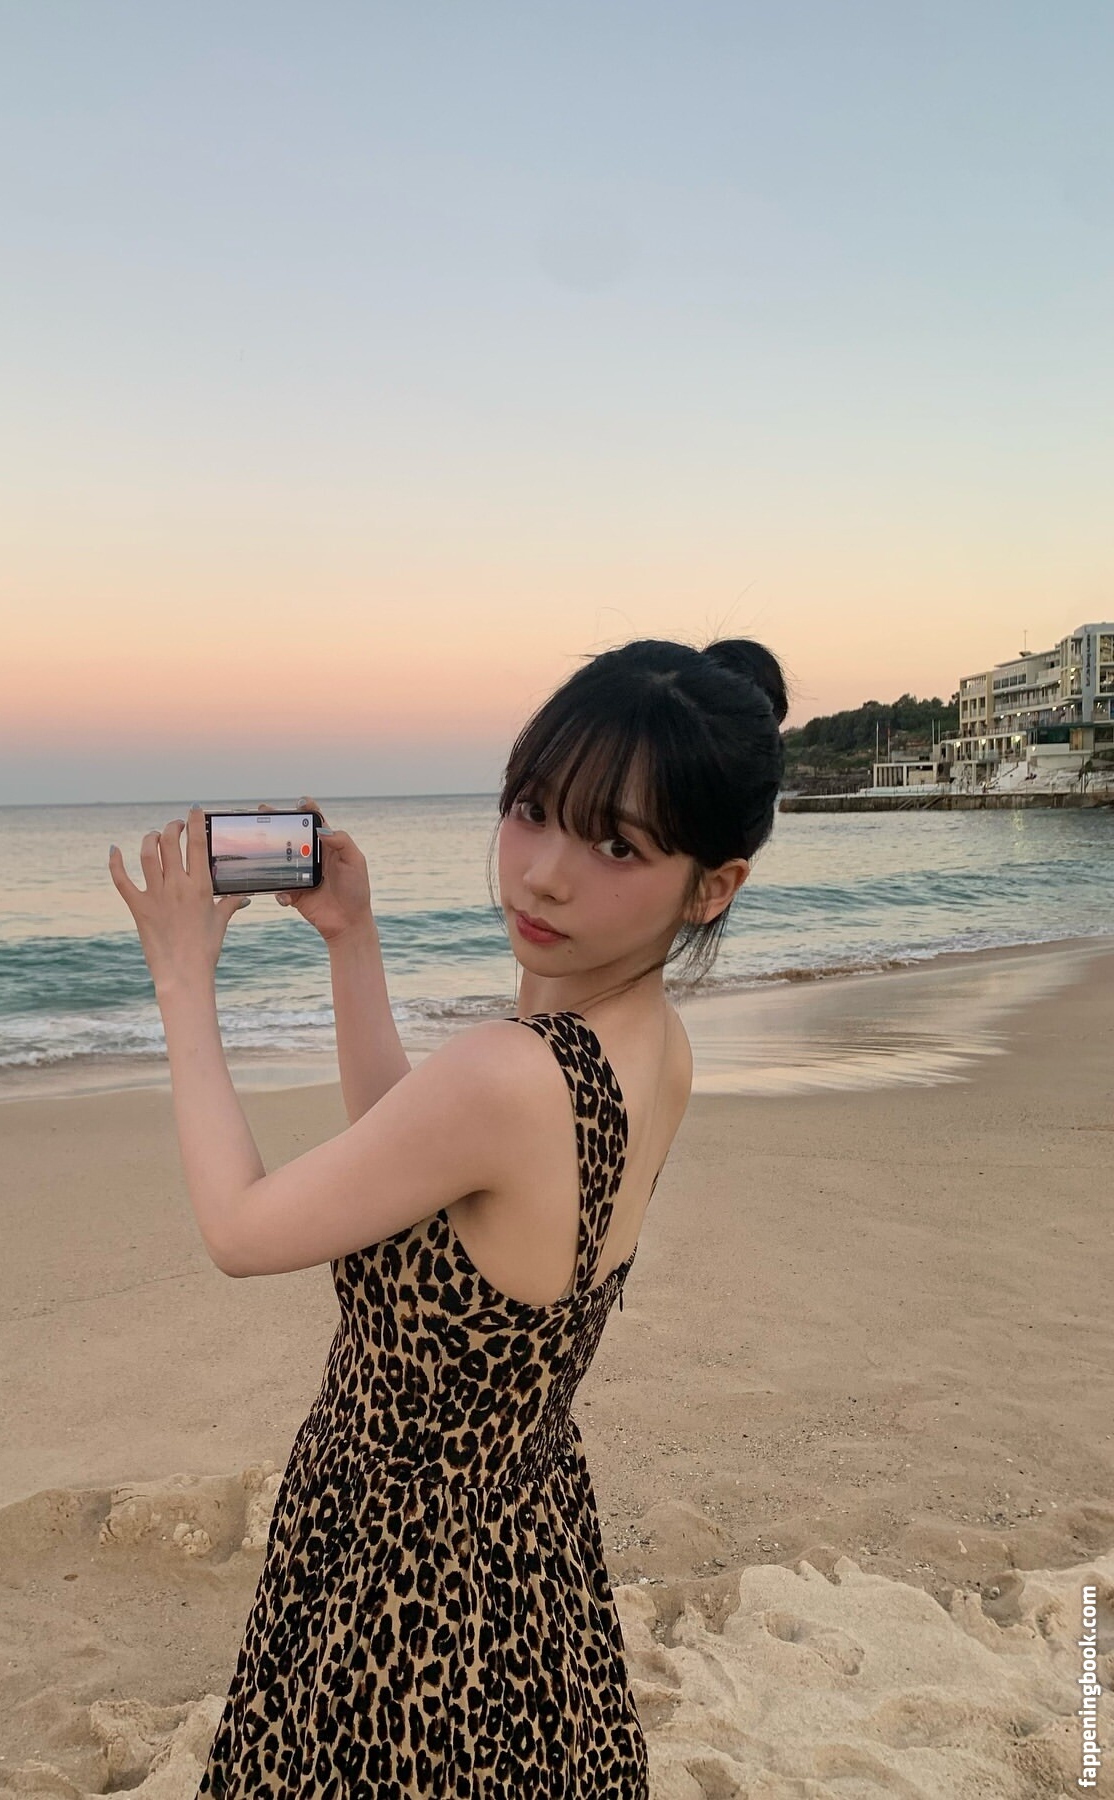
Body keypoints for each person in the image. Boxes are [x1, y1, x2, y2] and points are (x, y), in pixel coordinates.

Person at [109, 635, 788, 1796]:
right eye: (532, 810)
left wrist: (181, 979)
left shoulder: (510, 1077)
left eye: (615, 845)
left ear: (711, 886)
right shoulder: (649, 1048)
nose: (544, 874)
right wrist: (352, 936)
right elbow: (414, 1167)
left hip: (400, 1577)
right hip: (523, 1549)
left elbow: (239, 1229)